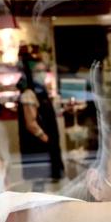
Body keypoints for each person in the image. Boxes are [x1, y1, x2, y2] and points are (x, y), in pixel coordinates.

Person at [17, 57, 64, 185]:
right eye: (38, 71)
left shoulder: (41, 91)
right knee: (39, 181)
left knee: (45, 182)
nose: (42, 74)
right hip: (38, 146)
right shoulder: (29, 93)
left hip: (45, 144)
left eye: (44, 70)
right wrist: (46, 140)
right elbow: (30, 123)